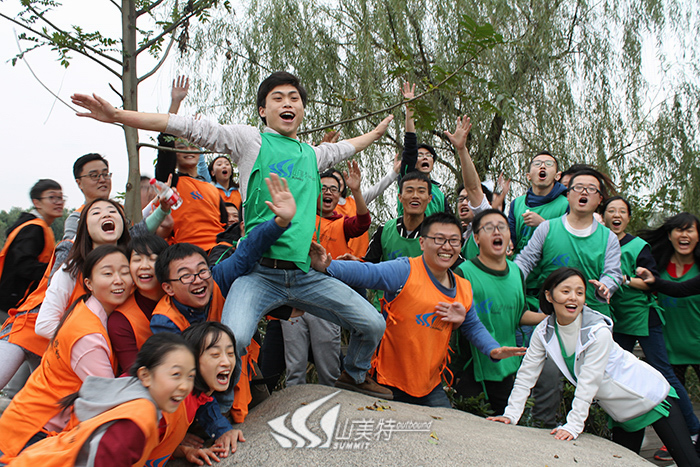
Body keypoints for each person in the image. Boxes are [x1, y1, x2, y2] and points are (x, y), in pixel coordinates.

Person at [71, 71, 395, 398]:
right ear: (263, 111)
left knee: (372, 324)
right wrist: (117, 115)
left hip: (304, 274)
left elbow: (347, 147)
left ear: (301, 109)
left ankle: (354, 375)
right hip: (258, 274)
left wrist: (376, 133)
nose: (287, 103)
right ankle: (223, 408)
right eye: (278, 98)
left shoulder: (313, 154)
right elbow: (184, 126)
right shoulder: (250, 141)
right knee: (232, 341)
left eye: (294, 98)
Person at [488, 267, 700, 467]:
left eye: (579, 292)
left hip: (649, 397)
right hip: (620, 411)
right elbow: (527, 373)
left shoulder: (598, 332)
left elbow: (589, 382)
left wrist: (573, 425)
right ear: (549, 296)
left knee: (689, 462)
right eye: (566, 291)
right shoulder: (543, 331)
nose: (573, 297)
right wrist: (511, 415)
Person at [309, 212, 525, 407]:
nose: (447, 247)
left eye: (454, 241)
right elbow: (367, 272)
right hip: (387, 382)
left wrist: (493, 350)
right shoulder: (405, 270)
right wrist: (328, 266)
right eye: (439, 239)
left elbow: (473, 325)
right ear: (422, 242)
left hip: (430, 385)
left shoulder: (463, 287)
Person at [0, 245, 133, 461]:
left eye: (125, 272)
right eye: (107, 273)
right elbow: (107, 398)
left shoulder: (85, 308)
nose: (118, 280)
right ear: (88, 284)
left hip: (28, 419)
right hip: (33, 432)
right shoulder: (88, 336)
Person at [3, 333, 197, 467]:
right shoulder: (139, 416)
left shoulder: (129, 394)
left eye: (190, 376)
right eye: (176, 375)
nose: (184, 386)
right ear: (145, 375)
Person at [0, 199, 132, 392]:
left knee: (38, 398)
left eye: (113, 211)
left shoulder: (132, 264)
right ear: (85, 228)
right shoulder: (71, 265)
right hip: (34, 329)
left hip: (68, 345)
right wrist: (89, 341)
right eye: (96, 212)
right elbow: (44, 324)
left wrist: (160, 209)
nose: (106, 214)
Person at [602, 197, 700, 447]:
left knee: (665, 375)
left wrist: (624, 280)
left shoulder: (638, 247)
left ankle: (692, 430)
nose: (616, 215)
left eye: (622, 211)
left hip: (646, 319)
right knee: (616, 374)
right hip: (619, 320)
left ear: (629, 217)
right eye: (611, 210)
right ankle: (628, 431)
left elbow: (658, 284)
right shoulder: (600, 242)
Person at [452, 209, 546, 414]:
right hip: (471, 368)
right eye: (489, 228)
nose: (497, 232)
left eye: (502, 227)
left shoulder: (516, 273)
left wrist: (548, 317)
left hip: (507, 367)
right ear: (476, 238)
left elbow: (519, 315)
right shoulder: (463, 273)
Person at [637, 212, 700, 461]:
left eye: (690, 230)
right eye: (679, 230)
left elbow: (681, 289)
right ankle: (677, 442)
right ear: (670, 235)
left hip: (698, 343)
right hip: (670, 344)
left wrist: (654, 283)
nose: (684, 235)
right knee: (673, 398)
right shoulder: (658, 263)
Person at [0, 179, 64, 316]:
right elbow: (23, 265)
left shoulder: (32, 225)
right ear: (37, 203)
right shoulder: (33, 228)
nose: (59, 202)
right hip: (14, 303)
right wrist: (57, 271)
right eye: (52, 197)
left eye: (60, 197)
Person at [108, 234, 170, 374]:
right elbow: (134, 372)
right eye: (137, 259)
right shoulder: (120, 320)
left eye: (153, 259)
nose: (144, 266)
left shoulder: (182, 295)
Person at [398, 82, 451, 217]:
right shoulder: (407, 178)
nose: (425, 157)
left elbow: (448, 220)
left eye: (429, 155)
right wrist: (410, 108)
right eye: (420, 155)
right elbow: (410, 146)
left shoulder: (438, 193)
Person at [507, 151, 568, 264]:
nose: (542, 166)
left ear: (557, 176)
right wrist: (508, 244)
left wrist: (543, 225)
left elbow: (569, 244)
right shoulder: (516, 204)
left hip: (551, 270)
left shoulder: (566, 204)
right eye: (537, 164)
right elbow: (511, 238)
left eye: (549, 164)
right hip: (520, 268)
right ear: (528, 176)